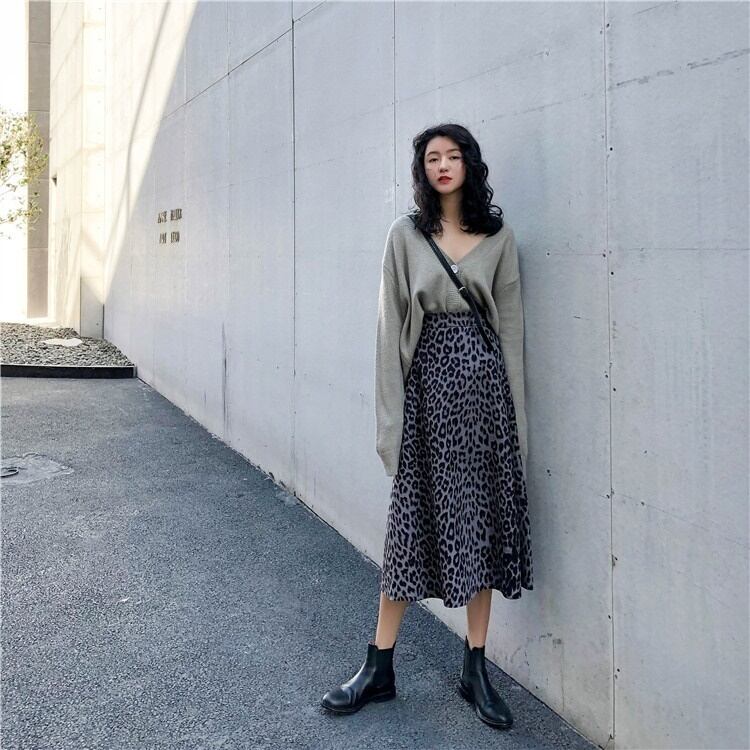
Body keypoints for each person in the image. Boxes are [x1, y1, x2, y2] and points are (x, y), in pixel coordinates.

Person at [321, 123, 534, 730]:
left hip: (486, 406)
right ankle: (378, 666)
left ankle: (475, 668)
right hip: (426, 403)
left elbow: (512, 335)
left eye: (453, 156)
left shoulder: (499, 238)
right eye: (432, 158)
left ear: (470, 165)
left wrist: (517, 430)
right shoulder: (406, 235)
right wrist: (389, 425)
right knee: (408, 532)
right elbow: (389, 330)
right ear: (423, 170)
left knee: (479, 530)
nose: (443, 165)